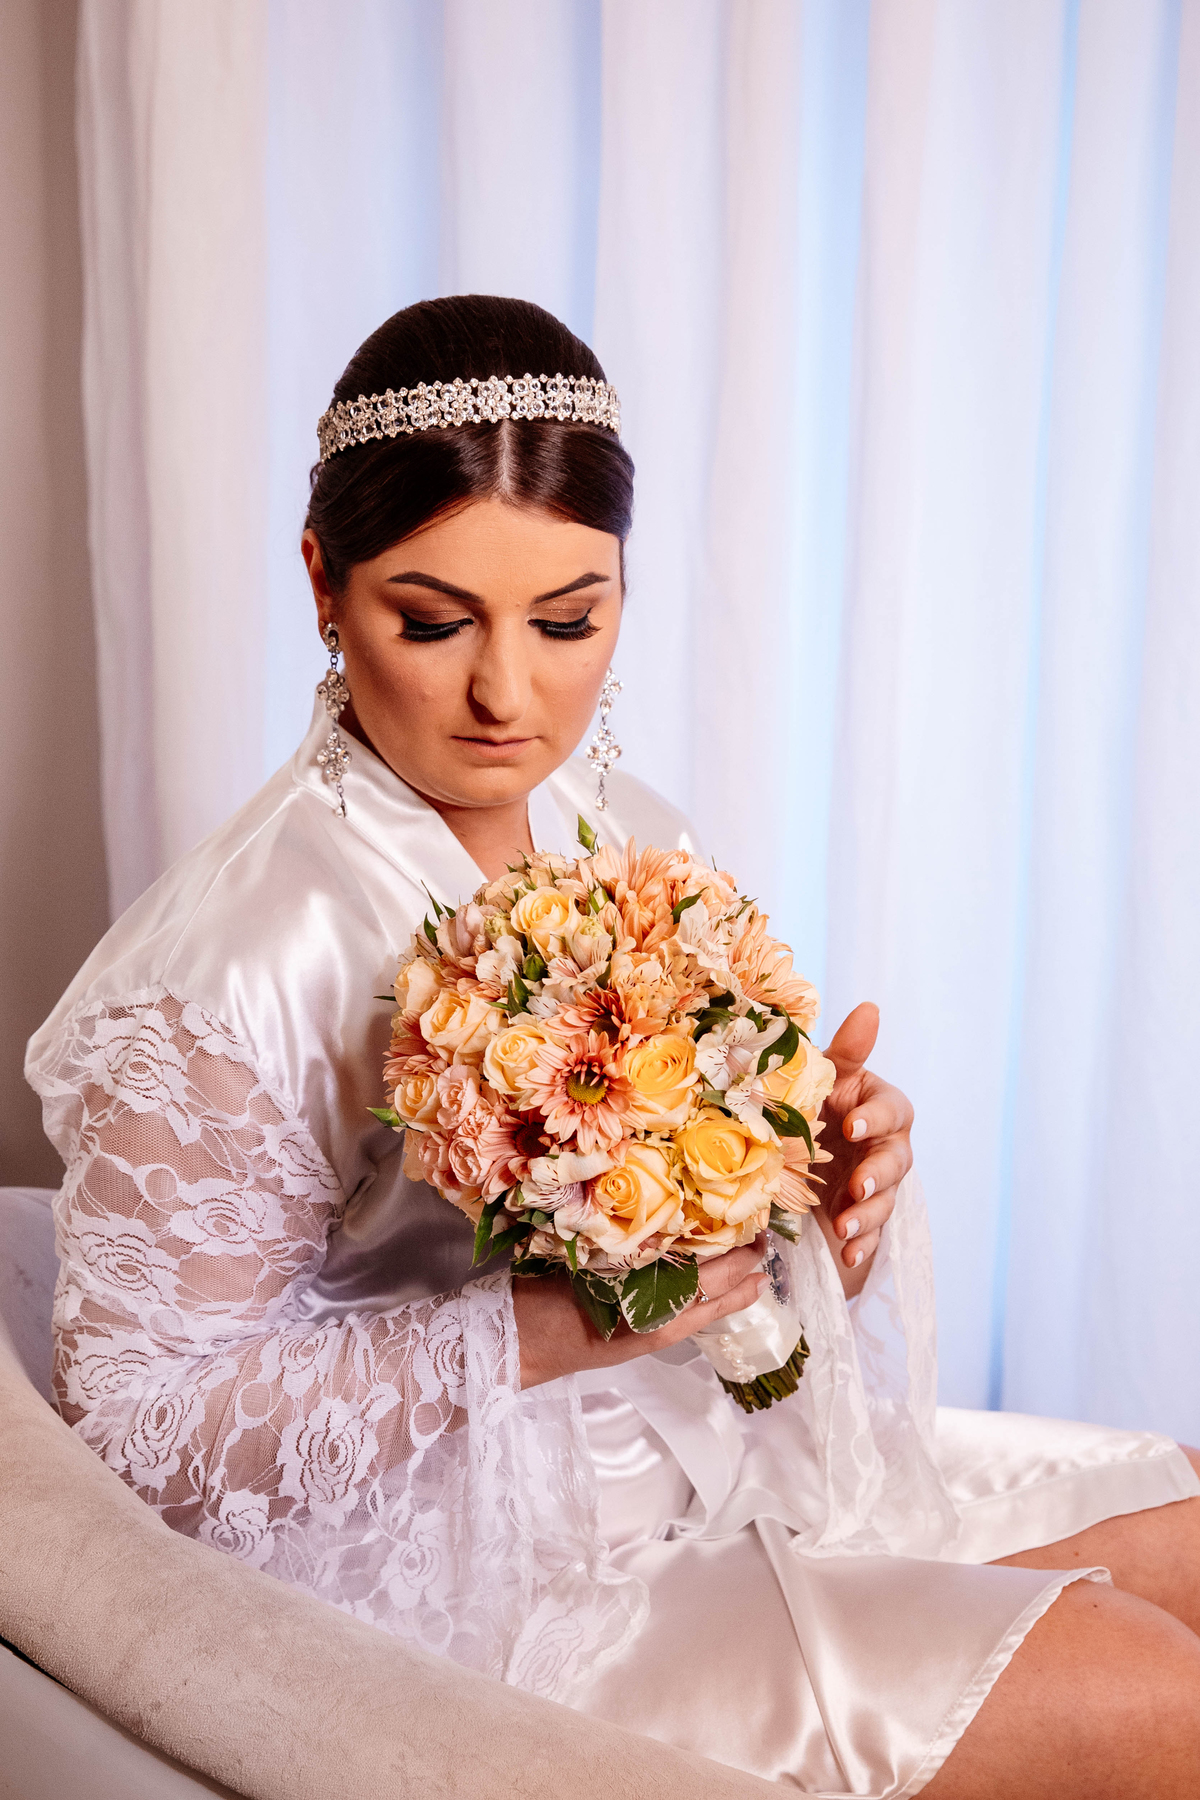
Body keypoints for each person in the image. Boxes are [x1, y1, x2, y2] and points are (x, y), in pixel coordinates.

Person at [26, 296, 1200, 1798]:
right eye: (433, 620)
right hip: (483, 1596)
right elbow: (134, 1438)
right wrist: (532, 1332)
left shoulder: (624, 832)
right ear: (323, 582)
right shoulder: (239, 960)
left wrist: (812, 1203)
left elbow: (703, 1269)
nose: (509, 693)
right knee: (1157, 1701)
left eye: (569, 621)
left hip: (692, 1461)